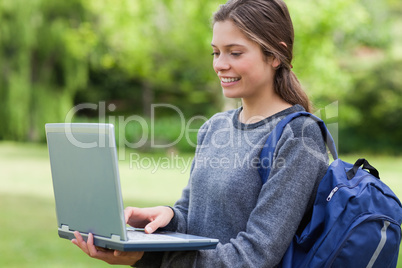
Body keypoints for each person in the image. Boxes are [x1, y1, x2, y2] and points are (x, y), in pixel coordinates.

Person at [72, 0, 329, 267]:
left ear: (276, 55)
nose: (220, 64)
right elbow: (193, 217)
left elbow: (254, 257)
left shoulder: (298, 135)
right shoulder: (215, 127)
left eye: (235, 53)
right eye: (216, 52)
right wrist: (168, 218)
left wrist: (151, 257)